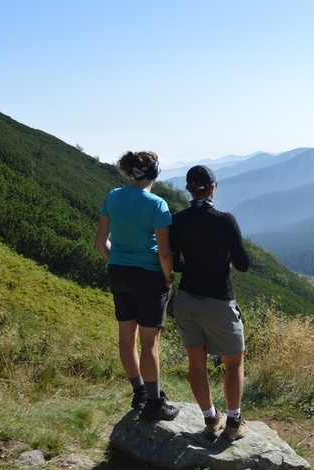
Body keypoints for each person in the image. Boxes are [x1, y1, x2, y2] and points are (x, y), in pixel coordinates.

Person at [95, 151, 180, 421]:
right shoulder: (157, 205)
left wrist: (118, 260)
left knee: (126, 338)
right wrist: (167, 278)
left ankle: (139, 392)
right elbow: (165, 254)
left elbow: (100, 241)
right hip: (149, 277)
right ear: (155, 173)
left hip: (118, 273)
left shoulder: (113, 196)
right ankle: (155, 404)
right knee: (149, 343)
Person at [170, 165, 251, 440]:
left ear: (189, 190)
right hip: (218, 300)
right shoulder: (224, 220)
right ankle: (234, 422)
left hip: (186, 300)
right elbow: (243, 264)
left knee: (196, 364)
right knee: (233, 363)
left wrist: (194, 263)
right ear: (213, 187)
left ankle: (210, 418)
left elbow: (173, 261)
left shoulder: (177, 220)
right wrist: (221, 257)